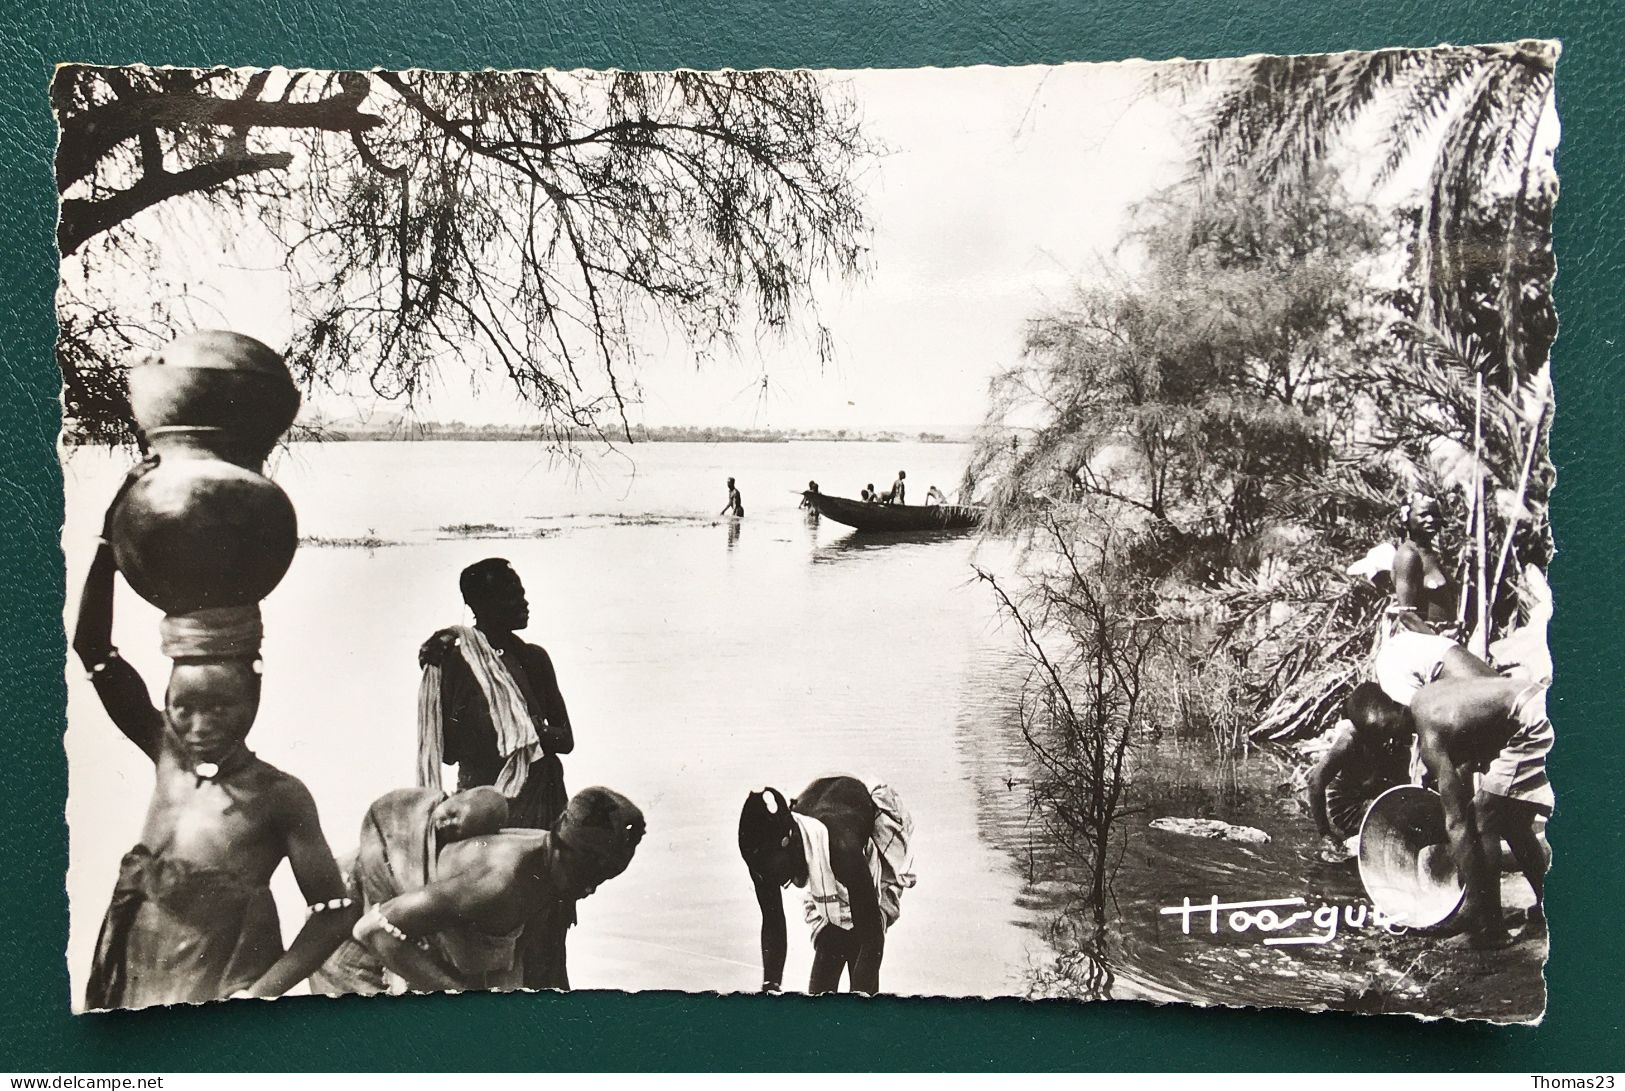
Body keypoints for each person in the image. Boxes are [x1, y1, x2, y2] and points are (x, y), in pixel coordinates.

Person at [73, 461, 356, 1010]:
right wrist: (110, 545)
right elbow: (95, 651)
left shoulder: (279, 796)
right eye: (183, 707)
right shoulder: (167, 756)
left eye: (219, 708)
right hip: (132, 973)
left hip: (214, 985)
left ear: (252, 701)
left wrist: (261, 992)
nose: (198, 726)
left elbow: (334, 910)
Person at [417, 557, 576, 988]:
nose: (524, 603)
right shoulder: (453, 660)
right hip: (487, 806)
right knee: (495, 921)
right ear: (480, 604)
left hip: (541, 800)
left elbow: (565, 739)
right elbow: (447, 752)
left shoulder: (534, 659)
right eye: (512, 595)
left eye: (522, 592)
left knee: (547, 924)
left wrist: (527, 731)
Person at [350, 786, 645, 993]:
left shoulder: (551, 867)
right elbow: (374, 930)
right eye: (587, 877)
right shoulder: (499, 883)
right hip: (356, 931)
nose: (591, 889)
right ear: (561, 852)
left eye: (603, 880)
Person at [1365, 678, 1552, 948]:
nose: (1391, 739)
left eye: (1387, 728)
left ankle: (1489, 928)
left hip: (1533, 720)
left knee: (1482, 817)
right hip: (1538, 702)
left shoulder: (1429, 731)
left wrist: (1470, 900)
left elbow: (1456, 822)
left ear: (1397, 707)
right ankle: (1547, 903)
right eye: (1381, 737)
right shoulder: (1427, 698)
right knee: (1510, 821)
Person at [309, 787, 509, 997]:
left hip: (374, 934)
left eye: (457, 830)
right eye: (452, 814)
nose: (447, 823)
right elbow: (379, 819)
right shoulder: (409, 808)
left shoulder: (455, 860)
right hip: (349, 913)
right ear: (456, 793)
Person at [738, 776, 915, 995]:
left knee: (860, 952)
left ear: (789, 841)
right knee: (828, 951)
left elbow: (872, 940)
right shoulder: (762, 856)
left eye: (781, 876)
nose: (779, 883)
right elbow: (773, 923)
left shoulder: (840, 847)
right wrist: (770, 986)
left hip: (863, 848)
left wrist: (859, 1002)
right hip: (825, 844)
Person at [1306, 700, 1412, 852]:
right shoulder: (1349, 740)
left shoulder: (1395, 733)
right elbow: (1315, 782)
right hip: (1349, 806)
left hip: (1378, 792)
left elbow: (1403, 780)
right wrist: (1325, 833)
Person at [1391, 492, 1460, 636]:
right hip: (1425, 644)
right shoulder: (1408, 556)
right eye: (1423, 515)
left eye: (1435, 514)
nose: (1431, 519)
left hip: (1447, 640)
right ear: (1407, 519)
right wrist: (1438, 642)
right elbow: (1406, 615)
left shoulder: (1430, 554)